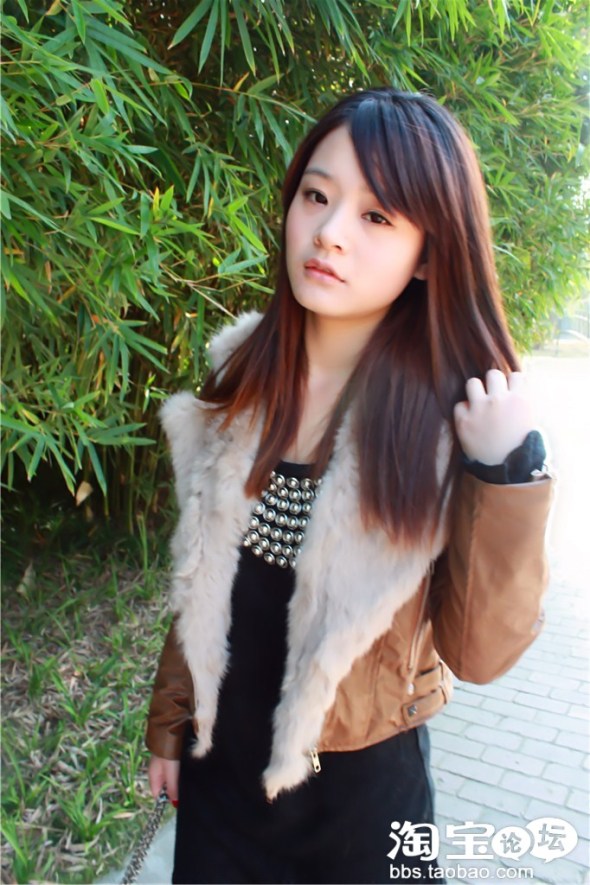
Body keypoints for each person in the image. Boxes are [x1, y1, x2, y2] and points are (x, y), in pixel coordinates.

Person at [145, 88, 552, 884]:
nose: (330, 232)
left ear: (429, 252)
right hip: (221, 778)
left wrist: (504, 470)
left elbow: (480, 652)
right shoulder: (242, 379)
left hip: (363, 807)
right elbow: (206, 579)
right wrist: (170, 723)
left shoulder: (449, 423)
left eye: (376, 216)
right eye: (316, 196)